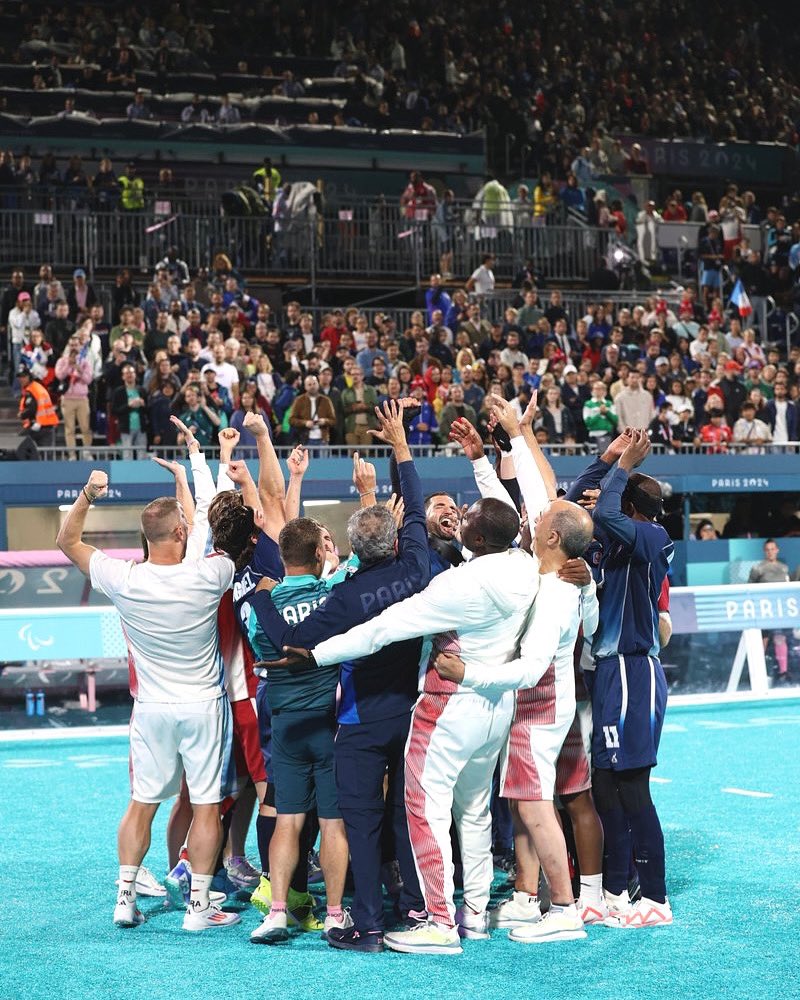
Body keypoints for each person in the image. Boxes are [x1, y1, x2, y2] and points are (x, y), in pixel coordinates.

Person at [276, 413, 555, 953]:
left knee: (412, 815)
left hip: (428, 709)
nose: (456, 518)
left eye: (466, 515)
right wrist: (412, 449)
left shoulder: (436, 586)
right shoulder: (520, 564)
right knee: (469, 813)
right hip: (491, 707)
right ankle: (470, 911)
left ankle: (436, 922)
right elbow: (526, 514)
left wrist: (313, 654)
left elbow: (379, 629)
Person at [251, 403, 430, 952]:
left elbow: (288, 640)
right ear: (397, 540)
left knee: (360, 821)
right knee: (409, 817)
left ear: (354, 548)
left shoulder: (344, 598)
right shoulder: (417, 565)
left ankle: (368, 923)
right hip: (416, 709)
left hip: (357, 718)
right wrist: (400, 446)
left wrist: (261, 600)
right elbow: (417, 506)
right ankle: (417, 911)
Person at [56, 469, 253, 932]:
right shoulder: (211, 574)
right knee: (206, 807)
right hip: (204, 706)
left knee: (141, 803)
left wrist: (87, 493)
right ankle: (199, 908)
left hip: (151, 710)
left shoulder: (123, 578)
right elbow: (237, 539)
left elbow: (68, 541)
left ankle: (125, 898)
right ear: (181, 533)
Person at [567, 429, 674, 928]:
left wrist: (620, 468)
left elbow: (607, 511)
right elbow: (564, 512)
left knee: (632, 786)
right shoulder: (608, 541)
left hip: (633, 669)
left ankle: (655, 898)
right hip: (608, 673)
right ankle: (614, 892)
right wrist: (606, 462)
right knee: (606, 786)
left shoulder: (651, 537)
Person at [246, 517, 352, 945]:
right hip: (328, 725)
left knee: (287, 822)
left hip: (286, 726)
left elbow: (262, 649)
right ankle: (333, 914)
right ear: (318, 554)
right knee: (332, 825)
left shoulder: (260, 612)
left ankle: (277, 912)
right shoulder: (332, 598)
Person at [749, 540, 791, 681]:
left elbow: (788, 589)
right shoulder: (758, 568)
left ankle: (783, 672)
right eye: (767, 549)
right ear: (764, 551)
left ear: (777, 550)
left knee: (780, 638)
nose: (770, 551)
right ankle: (757, 675)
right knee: (762, 641)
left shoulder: (784, 568)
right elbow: (750, 588)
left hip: (779, 611)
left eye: (773, 549)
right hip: (763, 610)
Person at [54, 333, 94, 459]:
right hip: (67, 399)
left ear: (80, 346)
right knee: (69, 428)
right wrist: (68, 365)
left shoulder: (85, 362)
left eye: (76, 345)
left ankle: (87, 452)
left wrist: (79, 370)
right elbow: (59, 376)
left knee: (85, 427)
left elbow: (88, 380)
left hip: (82, 399)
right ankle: (72, 454)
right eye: (71, 344)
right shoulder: (62, 361)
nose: (73, 347)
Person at [111, 363, 148, 459]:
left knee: (142, 455)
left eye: (131, 372)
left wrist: (143, 405)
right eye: (127, 373)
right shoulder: (118, 392)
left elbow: (148, 409)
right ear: (123, 376)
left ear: (135, 375)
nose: (129, 375)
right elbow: (114, 410)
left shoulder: (141, 390)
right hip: (126, 428)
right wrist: (129, 406)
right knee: (127, 455)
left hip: (141, 427)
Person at [290, 375, 337, 448]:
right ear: (305, 387)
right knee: (306, 459)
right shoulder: (299, 400)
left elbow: (333, 420)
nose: (312, 386)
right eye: (309, 384)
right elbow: (291, 420)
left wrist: (324, 421)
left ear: (318, 384)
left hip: (323, 440)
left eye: (314, 383)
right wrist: (305, 423)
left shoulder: (326, 400)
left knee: (323, 459)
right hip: (305, 440)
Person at [17, 365, 58, 446]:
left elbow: (32, 408)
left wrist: (21, 415)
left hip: (39, 425)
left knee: (19, 443)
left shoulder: (31, 390)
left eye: (24, 376)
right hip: (47, 424)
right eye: (19, 377)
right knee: (45, 454)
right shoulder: (36, 387)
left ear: (29, 376)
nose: (21, 379)